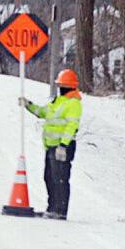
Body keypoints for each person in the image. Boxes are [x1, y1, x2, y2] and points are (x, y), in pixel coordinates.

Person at [19, 69, 83, 220]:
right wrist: (28, 105)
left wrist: (63, 145)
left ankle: (60, 211)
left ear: (69, 86)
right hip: (51, 146)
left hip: (62, 147)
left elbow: (71, 126)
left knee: (60, 178)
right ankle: (52, 208)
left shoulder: (74, 104)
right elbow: (43, 112)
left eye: (62, 85)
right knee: (49, 177)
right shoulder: (58, 102)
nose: (60, 88)